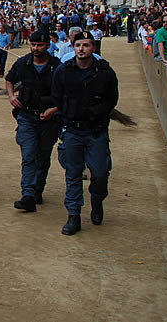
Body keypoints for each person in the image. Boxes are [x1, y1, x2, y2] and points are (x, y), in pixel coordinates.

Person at [51, 31, 119, 235]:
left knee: (99, 173)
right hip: (73, 129)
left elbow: (111, 99)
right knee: (72, 173)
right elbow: (56, 98)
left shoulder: (105, 72)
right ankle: (74, 214)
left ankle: (97, 201)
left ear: (93, 48)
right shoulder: (63, 71)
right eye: (78, 45)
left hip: (96, 131)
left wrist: (96, 112)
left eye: (86, 45)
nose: (82, 49)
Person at [5, 30, 62, 211]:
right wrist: (11, 95)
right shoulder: (23, 63)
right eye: (33, 45)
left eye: (40, 45)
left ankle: (37, 189)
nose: (36, 48)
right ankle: (27, 194)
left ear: (47, 46)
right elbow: (9, 79)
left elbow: (66, 95)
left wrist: (54, 110)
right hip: (27, 116)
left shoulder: (57, 67)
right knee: (28, 156)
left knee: (43, 157)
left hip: (49, 119)